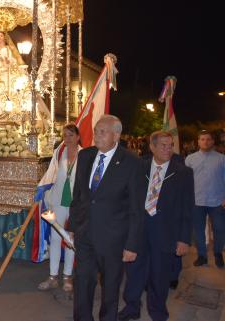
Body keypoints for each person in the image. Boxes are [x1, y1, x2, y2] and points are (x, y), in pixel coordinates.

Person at [68, 114, 146, 321]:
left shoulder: (132, 163)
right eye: (96, 131)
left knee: (110, 287)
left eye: (102, 132)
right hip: (85, 234)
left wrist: (132, 245)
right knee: (82, 281)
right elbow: (79, 195)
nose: (97, 136)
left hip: (113, 239)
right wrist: (73, 226)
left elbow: (136, 208)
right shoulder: (85, 156)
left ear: (116, 135)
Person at [119, 131, 194, 321]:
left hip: (165, 232)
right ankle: (132, 307)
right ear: (152, 147)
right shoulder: (140, 166)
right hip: (139, 230)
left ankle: (158, 310)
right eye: (163, 145)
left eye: (170, 145)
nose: (168, 149)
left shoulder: (183, 172)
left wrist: (184, 239)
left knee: (160, 275)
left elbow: (187, 208)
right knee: (135, 272)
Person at [38, 124, 81, 292]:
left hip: (75, 203)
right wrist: (41, 189)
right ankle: (53, 276)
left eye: (71, 135)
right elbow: (50, 174)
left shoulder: (84, 154)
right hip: (57, 201)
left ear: (78, 137)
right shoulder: (59, 152)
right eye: (65, 135)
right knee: (56, 238)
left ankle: (67, 276)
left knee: (71, 239)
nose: (67, 139)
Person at [184, 130, 225, 268]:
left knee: (220, 229)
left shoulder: (221, 158)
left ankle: (218, 253)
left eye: (208, 139)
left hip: (217, 201)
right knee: (198, 230)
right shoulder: (190, 159)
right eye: (202, 139)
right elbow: (186, 182)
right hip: (196, 201)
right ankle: (202, 255)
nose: (205, 142)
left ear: (212, 142)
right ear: (198, 141)